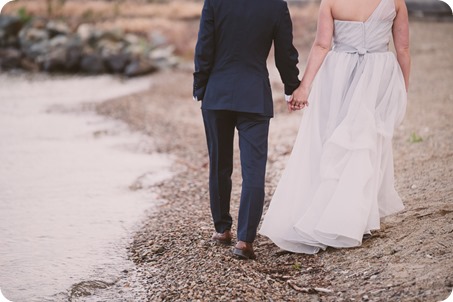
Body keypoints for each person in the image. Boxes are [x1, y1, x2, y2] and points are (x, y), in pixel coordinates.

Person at [260, 0, 411, 254]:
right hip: (379, 74)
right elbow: (403, 49)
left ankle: (339, 215)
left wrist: (304, 86)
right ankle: (353, 218)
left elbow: (321, 45)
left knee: (336, 141)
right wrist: (402, 89)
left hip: (339, 73)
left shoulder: (330, 1)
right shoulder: (396, 2)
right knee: (367, 143)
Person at [193, 0, 301, 259]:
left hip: (217, 94)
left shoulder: (215, 2)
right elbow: (285, 53)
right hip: (254, 96)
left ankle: (222, 229)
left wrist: (200, 87)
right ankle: (245, 241)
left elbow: (204, 47)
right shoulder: (276, 5)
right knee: (254, 169)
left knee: (219, 163)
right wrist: (291, 86)